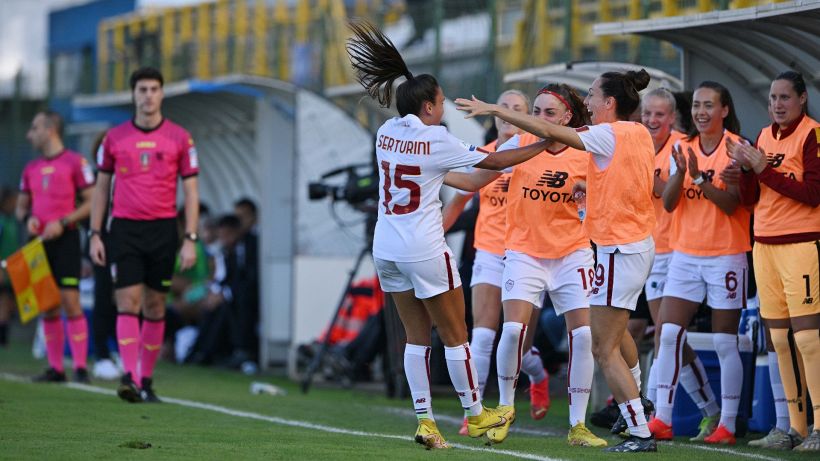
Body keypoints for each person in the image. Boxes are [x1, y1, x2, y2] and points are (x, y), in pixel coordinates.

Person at [346, 20, 552, 449]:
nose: (443, 110)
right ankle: (476, 415)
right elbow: (491, 164)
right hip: (424, 247)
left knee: (414, 336)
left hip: (386, 247)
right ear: (428, 107)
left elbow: (466, 181)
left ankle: (425, 421)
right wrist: (544, 144)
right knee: (456, 333)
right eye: (440, 102)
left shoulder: (386, 133)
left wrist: (489, 168)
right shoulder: (436, 138)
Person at [457, 68, 659, 452]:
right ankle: (508, 407)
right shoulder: (635, 133)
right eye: (535, 110)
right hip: (605, 247)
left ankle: (635, 427)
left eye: (594, 95)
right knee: (596, 336)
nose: (589, 101)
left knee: (598, 343)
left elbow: (557, 138)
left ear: (609, 103)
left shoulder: (601, 136)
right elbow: (482, 173)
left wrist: (491, 109)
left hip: (609, 248)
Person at [441, 89, 553, 435]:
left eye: (517, 109)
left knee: (515, 341)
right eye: (503, 107)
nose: (508, 113)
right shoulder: (483, 155)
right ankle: (473, 413)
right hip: (489, 251)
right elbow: (459, 201)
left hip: (529, 253)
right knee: (483, 336)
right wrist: (434, 236)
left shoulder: (540, 153)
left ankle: (537, 374)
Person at [89, 67, 200, 403]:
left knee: (154, 306)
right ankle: (130, 377)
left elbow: (192, 192)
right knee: (127, 301)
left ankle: (147, 379)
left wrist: (190, 238)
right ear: (133, 95)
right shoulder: (114, 139)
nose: (148, 95)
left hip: (163, 230)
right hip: (124, 229)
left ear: (162, 94)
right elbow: (101, 189)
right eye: (142, 90)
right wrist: (95, 233)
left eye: (154, 89)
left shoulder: (181, 138)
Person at [651, 81, 750, 445]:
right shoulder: (683, 146)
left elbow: (731, 205)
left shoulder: (738, 148)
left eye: (709, 105)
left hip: (726, 253)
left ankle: (726, 423)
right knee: (670, 334)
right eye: (696, 105)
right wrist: (680, 174)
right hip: (685, 254)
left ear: (725, 110)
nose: (701, 112)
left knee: (725, 342)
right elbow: (669, 204)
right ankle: (662, 418)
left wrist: (697, 177)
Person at [728, 70, 820, 452]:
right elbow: (752, 199)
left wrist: (765, 169)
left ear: (801, 99)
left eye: (784, 97)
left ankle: (819, 428)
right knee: (779, 340)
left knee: (809, 339)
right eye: (772, 98)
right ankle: (794, 428)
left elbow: (813, 194)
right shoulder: (764, 136)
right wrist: (747, 172)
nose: (777, 105)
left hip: (801, 243)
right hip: (763, 244)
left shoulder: (812, 134)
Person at [641, 88, 721, 440]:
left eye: (659, 115)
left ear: (672, 118)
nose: (652, 121)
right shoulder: (640, 144)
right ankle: (712, 411)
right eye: (647, 114)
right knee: (672, 339)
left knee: (666, 335)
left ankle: (657, 414)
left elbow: (664, 193)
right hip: (648, 250)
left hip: (677, 249)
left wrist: (637, 172)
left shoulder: (680, 146)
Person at [16, 111, 95, 383]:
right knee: (46, 305)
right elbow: (21, 207)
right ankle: (55, 368)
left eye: (34, 127)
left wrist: (63, 221)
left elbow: (91, 202)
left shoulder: (75, 163)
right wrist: (29, 219)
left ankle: (81, 367)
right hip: (38, 244)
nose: (30, 134)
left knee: (70, 302)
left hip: (67, 240)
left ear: (50, 130)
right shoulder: (30, 169)